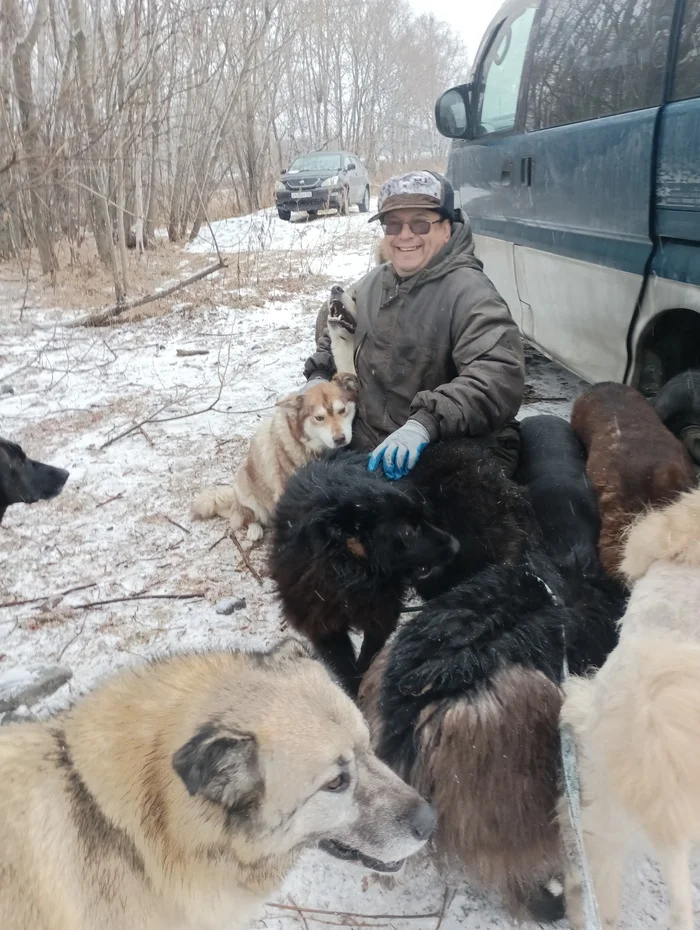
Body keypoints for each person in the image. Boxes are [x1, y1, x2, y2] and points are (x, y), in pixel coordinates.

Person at [303, 170, 525, 479]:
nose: (405, 235)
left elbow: (497, 375)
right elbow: (336, 330)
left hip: (445, 450)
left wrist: (424, 424)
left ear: (446, 230)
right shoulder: (371, 285)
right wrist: (318, 373)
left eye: (420, 223)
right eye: (393, 224)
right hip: (370, 446)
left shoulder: (470, 293)